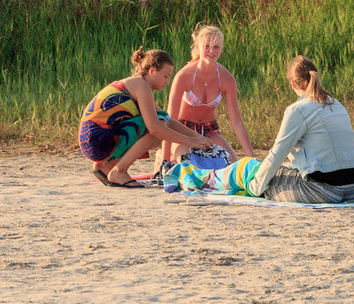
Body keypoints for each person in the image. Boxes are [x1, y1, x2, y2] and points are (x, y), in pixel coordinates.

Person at [78, 47, 213, 187]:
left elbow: (168, 119)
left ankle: (106, 166)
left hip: (90, 142)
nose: (167, 82)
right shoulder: (142, 87)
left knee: (161, 121)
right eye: (166, 76)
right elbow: (155, 128)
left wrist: (198, 138)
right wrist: (190, 142)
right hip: (98, 141)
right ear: (152, 71)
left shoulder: (136, 84)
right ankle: (119, 170)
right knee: (158, 128)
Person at [254, 55, 354, 203]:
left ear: (292, 84)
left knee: (260, 174)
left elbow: (277, 154)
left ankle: (214, 178)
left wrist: (255, 187)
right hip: (349, 190)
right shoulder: (337, 105)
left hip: (323, 192)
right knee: (285, 170)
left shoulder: (297, 110)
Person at [165, 23, 253, 163]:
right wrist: (165, 160)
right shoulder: (184, 76)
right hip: (183, 130)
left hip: (210, 131)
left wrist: (250, 157)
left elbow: (236, 121)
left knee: (230, 164)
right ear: (198, 47)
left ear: (222, 49)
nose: (211, 51)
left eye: (216, 47)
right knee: (188, 165)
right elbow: (170, 120)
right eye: (207, 46)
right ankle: (165, 156)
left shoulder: (226, 78)